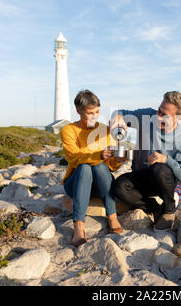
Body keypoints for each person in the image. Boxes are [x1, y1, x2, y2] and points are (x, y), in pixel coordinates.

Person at [110, 91, 181, 230]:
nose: (158, 117)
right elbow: (119, 112)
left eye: (164, 115)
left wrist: (167, 159)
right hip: (140, 178)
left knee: (159, 168)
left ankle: (168, 210)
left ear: (178, 118)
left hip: (163, 181)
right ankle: (155, 209)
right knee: (118, 187)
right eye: (159, 111)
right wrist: (118, 118)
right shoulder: (148, 116)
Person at [60, 90, 124, 247]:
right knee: (84, 167)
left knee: (100, 166)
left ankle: (112, 216)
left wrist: (117, 160)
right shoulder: (68, 130)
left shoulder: (105, 130)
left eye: (97, 112)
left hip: (100, 183)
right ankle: (79, 227)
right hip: (76, 182)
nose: (94, 116)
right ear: (78, 111)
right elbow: (74, 157)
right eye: (90, 113)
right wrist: (98, 155)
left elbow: (112, 168)